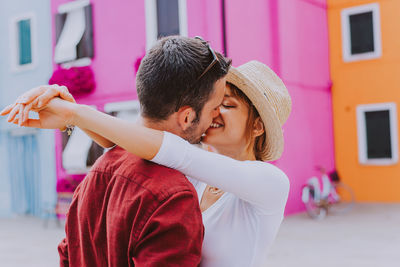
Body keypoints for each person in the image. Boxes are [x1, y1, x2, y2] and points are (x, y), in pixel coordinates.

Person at [2, 60, 292, 266]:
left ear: (257, 127)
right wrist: (71, 109)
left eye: (228, 105)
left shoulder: (270, 182)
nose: (214, 112)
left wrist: (74, 114)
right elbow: (133, 143)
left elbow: (170, 149)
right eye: (215, 103)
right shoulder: (199, 171)